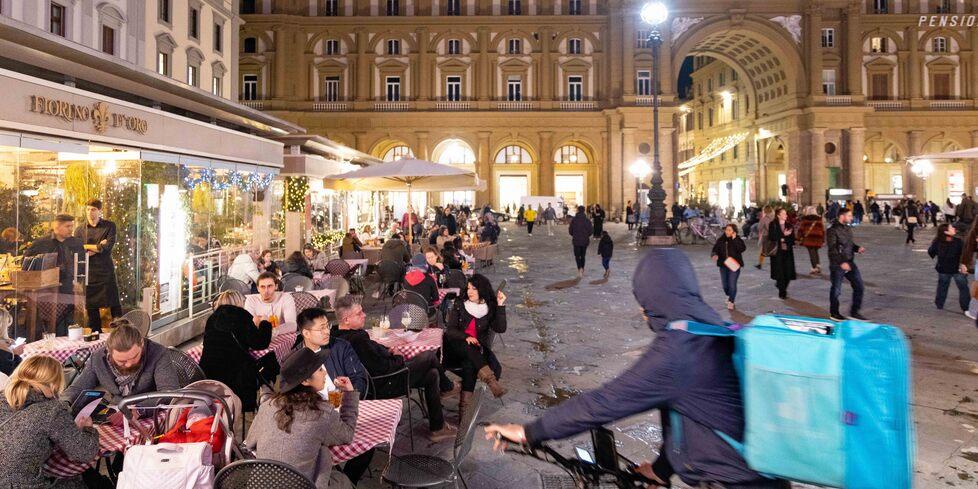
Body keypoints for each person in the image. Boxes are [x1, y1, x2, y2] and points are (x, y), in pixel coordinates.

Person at [483, 249, 789, 489]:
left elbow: (605, 402)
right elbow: (693, 418)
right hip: (756, 477)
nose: (642, 310)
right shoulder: (714, 327)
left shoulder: (680, 349)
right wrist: (659, 471)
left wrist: (529, 431)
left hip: (736, 482)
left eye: (642, 300)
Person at [331, 296, 458, 442]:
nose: (364, 315)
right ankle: (448, 388)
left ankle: (438, 428)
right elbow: (383, 368)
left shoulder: (338, 335)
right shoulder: (357, 340)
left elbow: (373, 353)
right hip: (384, 383)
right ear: (346, 320)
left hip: (379, 378)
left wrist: (386, 350)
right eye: (359, 313)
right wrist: (398, 357)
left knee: (432, 374)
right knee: (428, 356)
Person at [245, 347, 359, 489]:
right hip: (303, 484)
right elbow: (347, 434)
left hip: (260, 485)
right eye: (320, 370)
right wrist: (350, 393)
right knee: (342, 480)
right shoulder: (322, 413)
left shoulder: (267, 406)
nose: (325, 373)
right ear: (305, 380)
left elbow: (249, 443)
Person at [0, 355, 99, 489]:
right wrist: (88, 429)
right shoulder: (52, 411)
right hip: (21, 485)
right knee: (80, 480)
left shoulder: (3, 397)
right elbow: (84, 453)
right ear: (54, 383)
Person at [63, 320, 183, 402]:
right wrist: (63, 405)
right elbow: (77, 388)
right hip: (115, 411)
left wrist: (139, 410)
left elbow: (169, 393)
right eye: (122, 362)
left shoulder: (159, 353)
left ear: (141, 343)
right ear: (109, 352)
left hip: (152, 413)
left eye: (135, 356)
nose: (130, 364)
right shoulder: (98, 359)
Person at [444, 274, 508, 418]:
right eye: (468, 288)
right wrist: (466, 337)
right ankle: (491, 383)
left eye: (474, 289)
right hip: (454, 347)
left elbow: (500, 328)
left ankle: (464, 413)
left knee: (470, 366)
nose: (470, 292)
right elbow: (451, 331)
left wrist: (500, 306)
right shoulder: (460, 304)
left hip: (476, 352)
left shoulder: (489, 307)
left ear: (482, 290)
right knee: (468, 347)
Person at [199, 290, 273, 413]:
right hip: (236, 378)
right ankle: (266, 392)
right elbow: (260, 343)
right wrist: (264, 323)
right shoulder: (242, 315)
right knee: (270, 361)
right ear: (238, 302)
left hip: (209, 376)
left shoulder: (212, 318)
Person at [24, 214, 84, 335]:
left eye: (72, 226)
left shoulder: (76, 243)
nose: (71, 229)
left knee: (68, 326)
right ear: (57, 226)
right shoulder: (41, 243)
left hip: (68, 289)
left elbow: (81, 265)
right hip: (46, 292)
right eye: (67, 226)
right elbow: (26, 264)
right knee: (47, 327)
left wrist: (78, 283)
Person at [293, 308, 367, 394]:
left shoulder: (341, 347)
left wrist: (351, 390)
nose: (327, 331)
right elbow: (291, 395)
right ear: (306, 333)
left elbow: (359, 378)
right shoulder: (293, 359)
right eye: (321, 329)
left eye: (327, 326)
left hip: (342, 402)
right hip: (311, 405)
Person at [73, 199, 122, 332]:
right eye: (88, 209)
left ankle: (122, 333)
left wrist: (89, 248)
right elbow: (78, 250)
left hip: (105, 270)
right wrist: (98, 246)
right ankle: (95, 335)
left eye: (93, 209)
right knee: (92, 308)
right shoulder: (79, 230)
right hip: (89, 272)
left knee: (114, 304)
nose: (90, 212)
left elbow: (107, 247)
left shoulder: (109, 226)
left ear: (100, 211)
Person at [826, 208, 867, 322]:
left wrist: (857, 248)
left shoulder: (848, 228)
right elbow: (832, 249)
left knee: (859, 286)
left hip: (850, 262)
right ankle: (834, 313)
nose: (851, 217)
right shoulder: (832, 230)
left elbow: (849, 244)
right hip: (837, 264)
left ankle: (854, 312)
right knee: (836, 289)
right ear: (842, 216)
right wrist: (841, 262)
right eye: (849, 215)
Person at [928, 223, 970, 313]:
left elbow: (931, 252)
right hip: (957, 269)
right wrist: (964, 265)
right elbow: (964, 254)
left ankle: (939, 304)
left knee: (942, 286)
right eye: (951, 228)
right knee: (963, 288)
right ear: (946, 231)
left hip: (943, 268)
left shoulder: (938, 241)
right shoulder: (958, 241)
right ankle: (966, 307)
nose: (954, 228)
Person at [712, 224, 747, 310]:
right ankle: (729, 295)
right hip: (723, 265)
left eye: (729, 230)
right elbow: (715, 249)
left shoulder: (738, 239)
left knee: (732, 284)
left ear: (734, 232)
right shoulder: (721, 240)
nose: (727, 232)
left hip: (734, 265)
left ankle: (731, 301)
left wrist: (734, 239)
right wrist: (714, 255)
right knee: (725, 286)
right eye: (726, 230)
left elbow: (742, 249)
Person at [767, 208, 796, 299]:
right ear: (778, 215)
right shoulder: (773, 225)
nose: (786, 215)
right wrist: (783, 236)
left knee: (788, 273)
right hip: (777, 252)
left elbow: (792, 239)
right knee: (780, 272)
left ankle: (781, 285)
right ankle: (782, 292)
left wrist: (785, 238)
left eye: (786, 213)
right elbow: (771, 237)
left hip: (787, 252)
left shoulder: (789, 225)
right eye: (783, 213)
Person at [403, 254, 439, 318]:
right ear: (425, 264)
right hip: (427, 312)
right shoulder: (430, 278)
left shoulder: (406, 278)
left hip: (409, 312)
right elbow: (436, 298)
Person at [797, 206, 826, 275]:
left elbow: (801, 230)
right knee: (815, 252)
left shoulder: (805, 220)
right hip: (818, 238)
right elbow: (823, 230)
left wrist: (798, 238)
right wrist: (823, 239)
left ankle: (814, 268)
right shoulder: (819, 219)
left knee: (811, 253)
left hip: (809, 238)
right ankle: (818, 266)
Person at [569, 206, 594, 278]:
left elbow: (570, 231)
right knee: (583, 256)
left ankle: (579, 268)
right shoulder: (587, 220)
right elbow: (591, 231)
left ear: (578, 210)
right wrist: (586, 236)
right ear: (584, 211)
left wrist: (574, 235)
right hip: (585, 241)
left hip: (576, 241)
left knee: (577, 256)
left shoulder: (574, 220)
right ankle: (582, 268)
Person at [755, 205, 773, 270]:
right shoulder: (774, 217)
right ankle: (774, 263)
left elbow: (759, 227)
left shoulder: (764, 219)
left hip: (766, 236)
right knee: (773, 249)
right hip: (774, 236)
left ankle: (760, 264)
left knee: (763, 250)